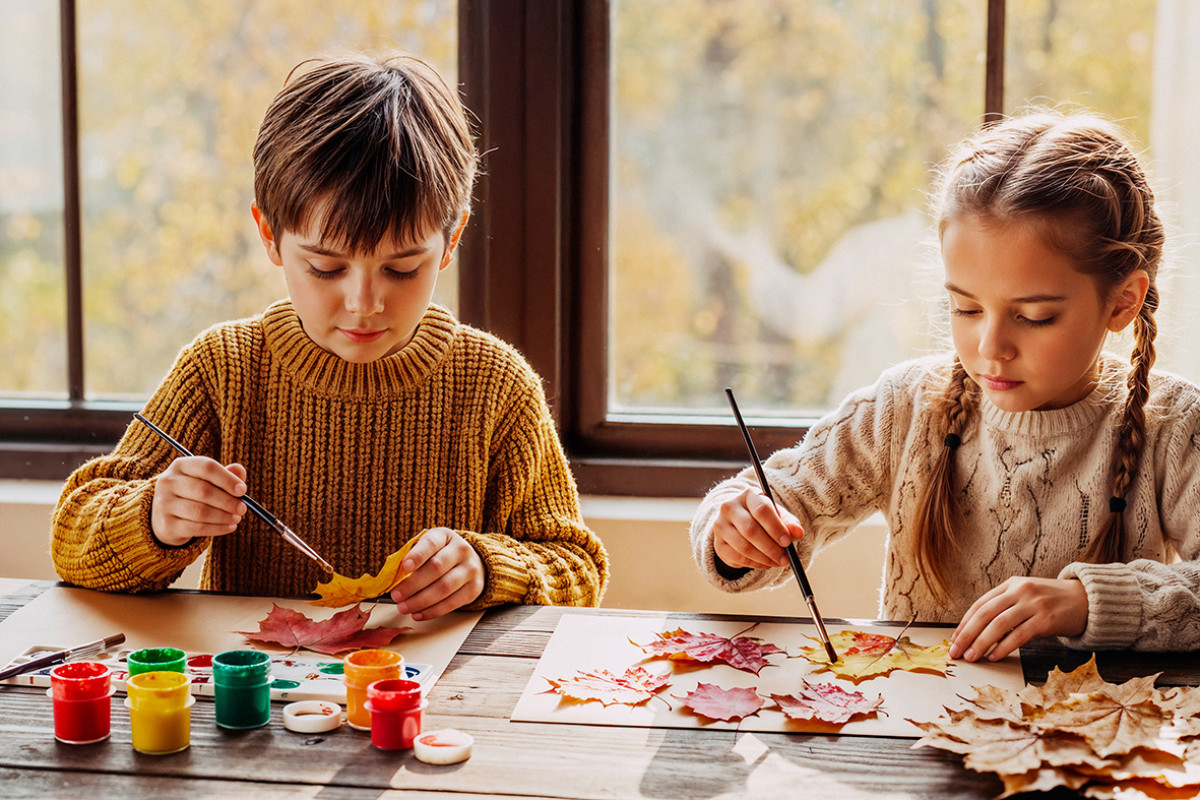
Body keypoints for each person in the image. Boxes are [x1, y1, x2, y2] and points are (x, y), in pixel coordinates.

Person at [51, 52, 608, 619]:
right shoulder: (223, 370)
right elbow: (74, 537)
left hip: (431, 698)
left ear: (453, 238)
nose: (364, 303)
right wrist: (155, 517)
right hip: (259, 701)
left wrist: (489, 569)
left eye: (402, 268)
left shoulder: (495, 386)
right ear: (270, 234)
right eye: (325, 268)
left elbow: (577, 569)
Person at [691, 110, 1200, 660]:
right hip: (915, 730)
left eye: (1034, 316)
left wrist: (1086, 602)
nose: (990, 346)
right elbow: (775, 496)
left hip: (1090, 736)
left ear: (1123, 300)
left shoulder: (1173, 426)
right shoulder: (904, 408)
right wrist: (735, 531)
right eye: (966, 307)